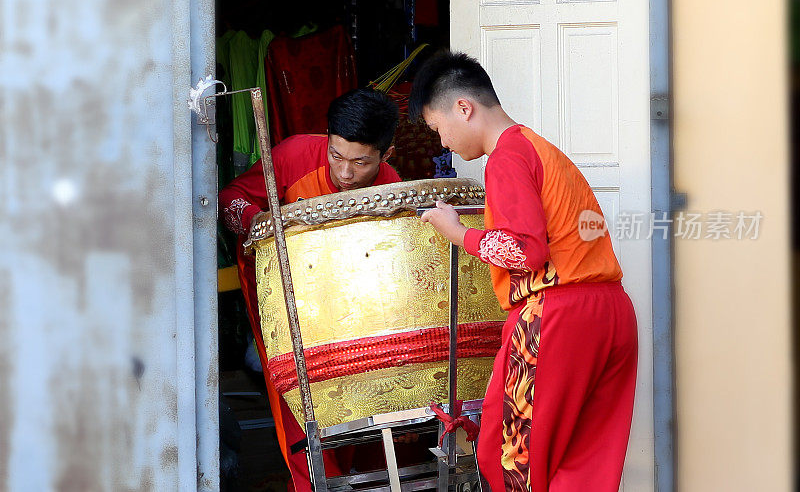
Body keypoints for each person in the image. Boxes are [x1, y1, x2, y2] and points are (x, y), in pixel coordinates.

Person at [410, 52, 637, 492]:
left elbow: (523, 250)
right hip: (611, 311)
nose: (443, 143)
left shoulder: (508, 157)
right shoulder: (542, 149)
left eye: (437, 128)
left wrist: (459, 233)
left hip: (555, 315)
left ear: (464, 107)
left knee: (512, 459)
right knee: (585, 467)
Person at [219, 88, 401, 492]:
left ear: (385, 156)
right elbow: (230, 198)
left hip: (349, 300)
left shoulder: (392, 186)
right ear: (327, 137)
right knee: (294, 394)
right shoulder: (293, 156)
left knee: (357, 386)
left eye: (361, 162)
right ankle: (312, 484)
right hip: (280, 295)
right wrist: (259, 221)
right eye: (336, 155)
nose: (346, 174)